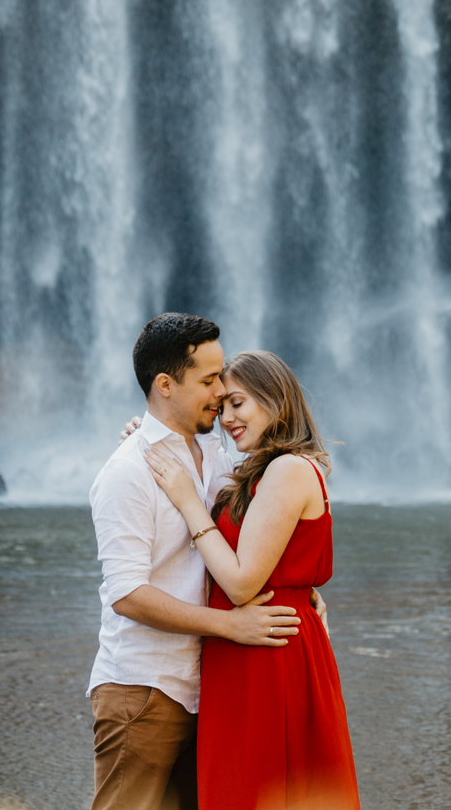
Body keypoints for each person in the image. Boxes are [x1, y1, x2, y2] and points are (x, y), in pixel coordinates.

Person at [87, 313, 308, 810]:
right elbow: (126, 594)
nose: (220, 392)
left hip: (210, 691)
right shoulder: (127, 472)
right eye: (209, 381)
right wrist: (231, 626)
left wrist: (302, 588)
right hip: (144, 688)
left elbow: (258, 537)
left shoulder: (220, 455)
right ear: (165, 385)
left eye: (221, 377)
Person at [144, 348, 360, 810]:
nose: (226, 418)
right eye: (222, 408)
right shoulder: (259, 470)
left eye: (238, 403)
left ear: (275, 399)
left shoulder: (287, 470)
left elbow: (242, 584)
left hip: (268, 651)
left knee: (260, 786)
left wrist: (188, 502)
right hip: (249, 644)